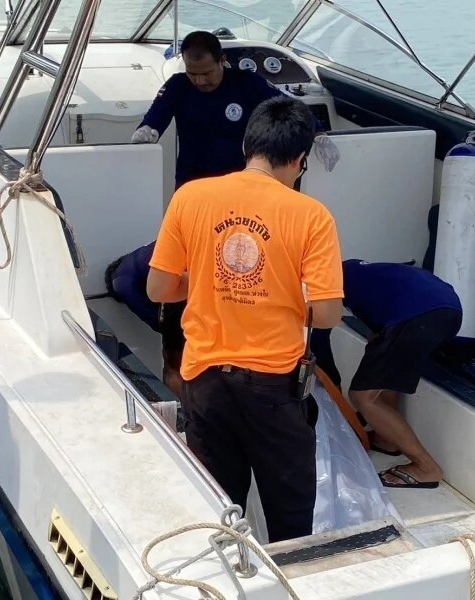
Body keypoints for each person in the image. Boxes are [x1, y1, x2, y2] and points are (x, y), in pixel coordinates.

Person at [146, 96, 344, 542]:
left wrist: (205, 285)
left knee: (220, 512)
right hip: (274, 388)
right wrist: (283, 297)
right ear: (299, 160)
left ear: (246, 147)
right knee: (290, 523)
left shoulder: (190, 197)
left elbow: (158, 288)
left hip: (204, 382)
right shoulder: (311, 216)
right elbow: (328, 314)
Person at [314, 259, 463, 489]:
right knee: (380, 359)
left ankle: (426, 467)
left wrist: (336, 398)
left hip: (418, 314)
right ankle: (387, 439)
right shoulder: (353, 271)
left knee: (362, 396)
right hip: (446, 308)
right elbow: (379, 340)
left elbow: (319, 344)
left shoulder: (325, 284)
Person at [132, 30, 339, 189]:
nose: (200, 81)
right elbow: (154, 119)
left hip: (239, 177)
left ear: (222, 61)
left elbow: (289, 106)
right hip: (192, 179)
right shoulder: (177, 86)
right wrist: (146, 131)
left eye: (206, 73)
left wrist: (319, 133)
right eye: (192, 73)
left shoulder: (245, 82)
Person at [104, 242, 185, 397]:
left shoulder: (119, 278)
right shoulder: (143, 255)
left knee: (173, 363)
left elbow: (145, 310)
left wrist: (161, 325)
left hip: (177, 285)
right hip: (192, 273)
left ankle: (181, 407)